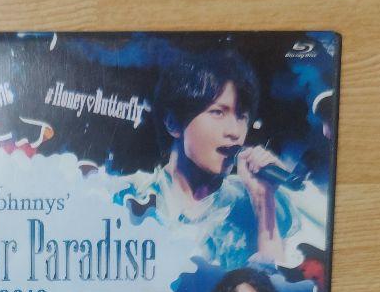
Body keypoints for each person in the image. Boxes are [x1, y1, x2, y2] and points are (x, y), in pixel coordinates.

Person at [117, 47, 313, 272]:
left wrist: (263, 201)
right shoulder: (127, 197)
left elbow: (274, 289)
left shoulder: (257, 203)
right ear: (173, 123)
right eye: (218, 112)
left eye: (241, 117)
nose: (234, 132)